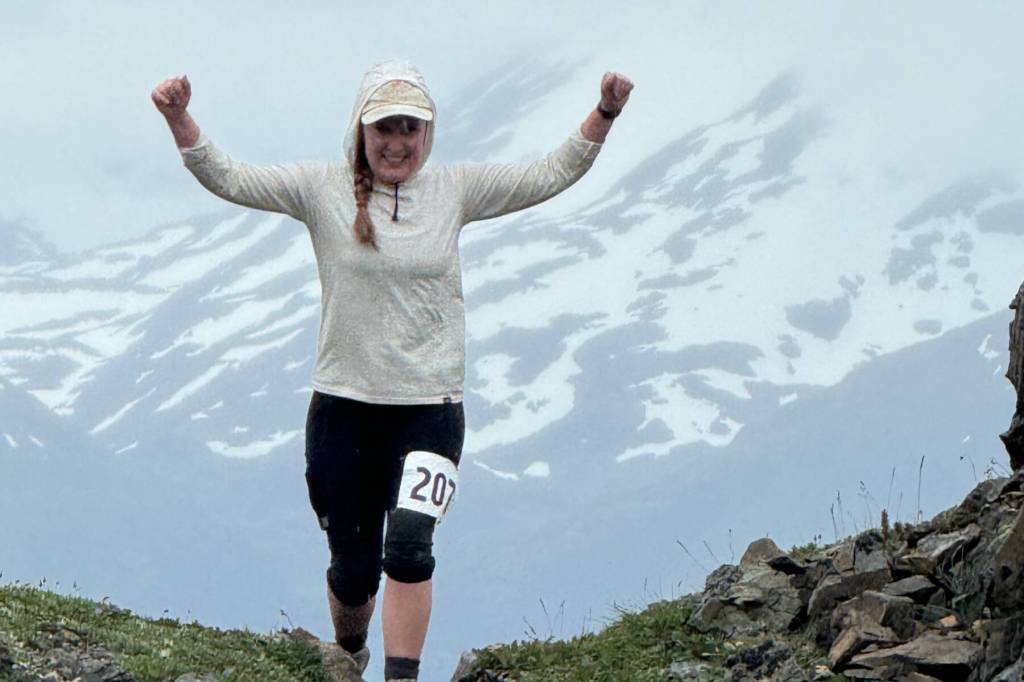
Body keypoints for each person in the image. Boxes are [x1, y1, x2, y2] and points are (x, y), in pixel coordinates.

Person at [152, 59, 632, 681]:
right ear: (360, 130)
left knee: (409, 545)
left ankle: (401, 677)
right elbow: (230, 178)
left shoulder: (455, 190)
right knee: (353, 572)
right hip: (342, 409)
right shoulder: (317, 188)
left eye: (411, 129)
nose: (398, 143)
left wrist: (606, 113)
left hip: (431, 408)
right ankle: (349, 652)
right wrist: (178, 116)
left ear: (428, 134)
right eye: (385, 129)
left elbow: (549, 174)